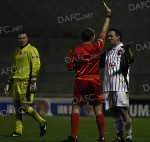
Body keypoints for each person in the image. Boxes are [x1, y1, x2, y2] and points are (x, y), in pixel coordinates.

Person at [62, 4, 111, 142]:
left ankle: (74, 136)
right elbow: (104, 31)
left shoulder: (76, 50)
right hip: (95, 80)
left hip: (81, 80)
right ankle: (102, 137)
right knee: (98, 109)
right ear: (92, 37)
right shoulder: (97, 46)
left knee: (76, 107)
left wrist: (78, 64)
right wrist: (108, 16)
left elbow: (69, 67)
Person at [4, 31, 47, 137]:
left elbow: (36, 65)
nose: (22, 40)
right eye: (19, 38)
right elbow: (13, 68)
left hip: (26, 82)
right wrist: (9, 83)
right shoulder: (16, 51)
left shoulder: (32, 50)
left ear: (27, 38)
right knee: (17, 107)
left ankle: (42, 122)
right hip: (16, 82)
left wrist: (33, 80)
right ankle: (18, 131)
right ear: (17, 39)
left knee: (24, 106)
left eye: (23, 38)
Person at [100, 28, 134, 142]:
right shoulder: (108, 52)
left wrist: (128, 50)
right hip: (108, 87)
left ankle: (129, 136)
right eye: (108, 36)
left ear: (118, 37)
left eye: (111, 36)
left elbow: (131, 59)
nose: (108, 38)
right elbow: (97, 63)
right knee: (114, 112)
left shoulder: (124, 49)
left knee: (123, 111)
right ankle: (120, 137)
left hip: (120, 85)